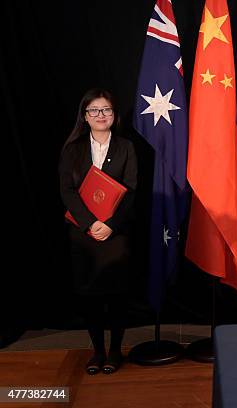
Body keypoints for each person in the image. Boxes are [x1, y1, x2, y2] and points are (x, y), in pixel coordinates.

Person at [58, 88, 137, 374]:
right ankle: (98, 352)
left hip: (115, 234)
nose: (101, 115)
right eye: (95, 110)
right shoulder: (73, 149)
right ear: (85, 116)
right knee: (90, 296)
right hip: (83, 234)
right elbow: (67, 191)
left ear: (114, 115)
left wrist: (111, 225)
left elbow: (131, 192)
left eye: (106, 110)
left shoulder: (126, 147)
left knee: (117, 296)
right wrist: (90, 223)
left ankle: (115, 351)